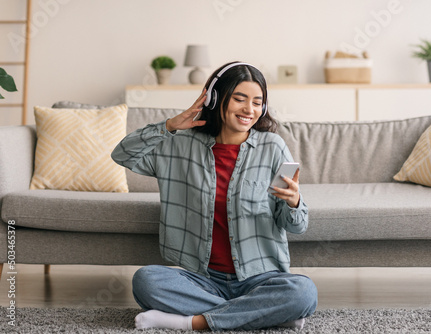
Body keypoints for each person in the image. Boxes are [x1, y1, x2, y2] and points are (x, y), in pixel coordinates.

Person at [111, 61, 317, 331]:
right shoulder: (180, 145)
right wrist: (170, 125)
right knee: (145, 280)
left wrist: (294, 202)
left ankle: (190, 322)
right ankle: (262, 313)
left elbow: (297, 225)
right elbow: (122, 154)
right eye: (239, 99)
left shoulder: (273, 147)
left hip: (259, 278)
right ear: (215, 99)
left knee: (303, 292)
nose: (249, 110)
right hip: (202, 279)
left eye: (258, 102)